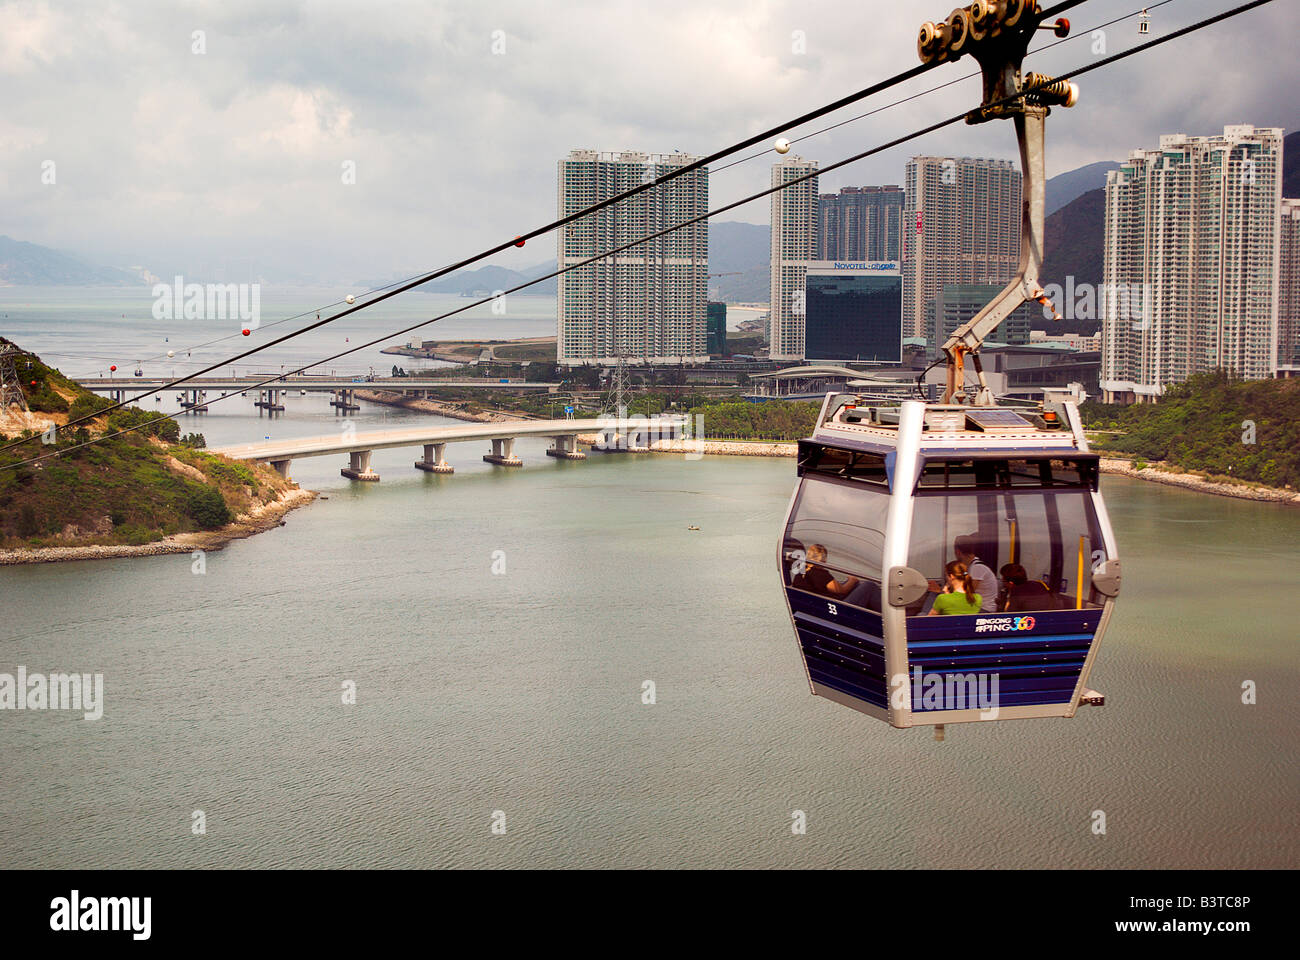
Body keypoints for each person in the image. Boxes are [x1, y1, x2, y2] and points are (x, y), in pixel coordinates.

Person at [793, 543, 860, 598]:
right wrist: (852, 580)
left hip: (809, 601)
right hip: (833, 605)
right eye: (824, 558)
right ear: (822, 559)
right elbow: (841, 590)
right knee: (868, 584)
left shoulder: (802, 569)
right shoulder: (820, 573)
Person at [953, 535, 998, 612]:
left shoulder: (977, 568)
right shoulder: (972, 566)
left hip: (984, 609)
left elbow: (967, 592)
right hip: (978, 606)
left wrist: (942, 591)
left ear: (958, 551)